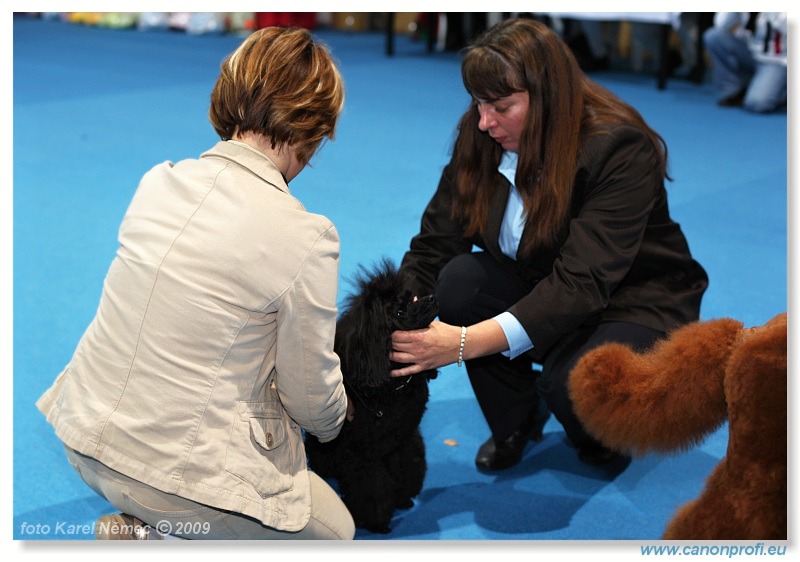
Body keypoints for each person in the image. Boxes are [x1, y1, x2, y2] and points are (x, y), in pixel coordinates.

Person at [36, 27, 355, 540]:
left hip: (83, 438)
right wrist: (343, 413)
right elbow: (310, 402)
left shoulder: (157, 180)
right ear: (312, 129)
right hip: (174, 479)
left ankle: (146, 529)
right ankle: (162, 534)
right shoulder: (308, 236)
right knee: (336, 533)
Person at [390, 18, 709, 472]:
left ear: (549, 97)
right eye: (479, 104)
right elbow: (435, 243)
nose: (484, 121)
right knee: (460, 282)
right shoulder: (482, 134)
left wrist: (462, 343)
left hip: (633, 301)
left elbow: (583, 283)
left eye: (501, 105)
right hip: (545, 282)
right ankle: (518, 418)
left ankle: (601, 429)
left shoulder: (618, 148)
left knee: (575, 384)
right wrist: (394, 323)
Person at [703, 12, 787, 113]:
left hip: (775, 60)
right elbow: (720, 24)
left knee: (757, 104)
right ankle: (734, 92)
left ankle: (783, 91)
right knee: (713, 36)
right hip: (750, 51)